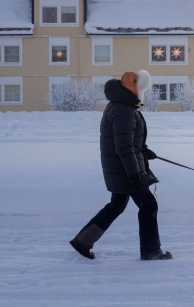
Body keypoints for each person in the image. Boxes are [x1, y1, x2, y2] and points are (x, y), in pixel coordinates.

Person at [70, 70, 172, 261]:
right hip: (126, 171)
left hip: (121, 169)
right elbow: (124, 147)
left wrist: (143, 150)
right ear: (124, 85)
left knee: (117, 204)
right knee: (148, 205)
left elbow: (128, 141)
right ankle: (151, 251)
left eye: (137, 81)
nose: (136, 85)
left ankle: (82, 241)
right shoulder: (123, 110)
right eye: (133, 82)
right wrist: (135, 176)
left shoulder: (123, 106)